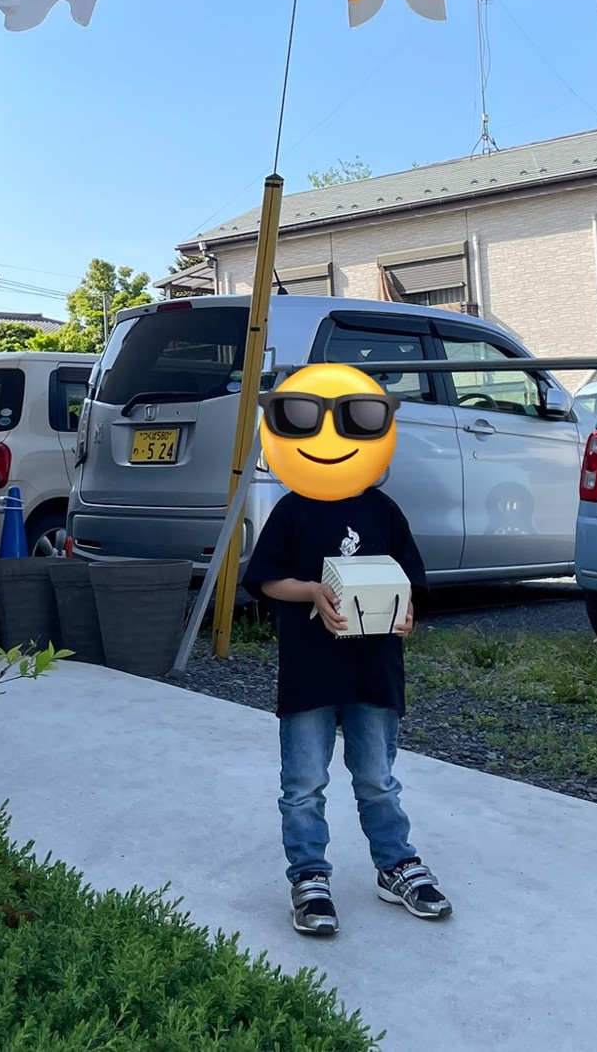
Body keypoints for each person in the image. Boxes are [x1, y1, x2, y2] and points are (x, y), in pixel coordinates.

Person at [238, 361, 452, 938]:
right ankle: (309, 875)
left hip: (374, 667)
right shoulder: (291, 509)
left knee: (377, 777)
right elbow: (265, 580)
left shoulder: (384, 511)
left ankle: (395, 864)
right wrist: (312, 590)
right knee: (304, 783)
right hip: (310, 669)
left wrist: (406, 612)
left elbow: (410, 583)